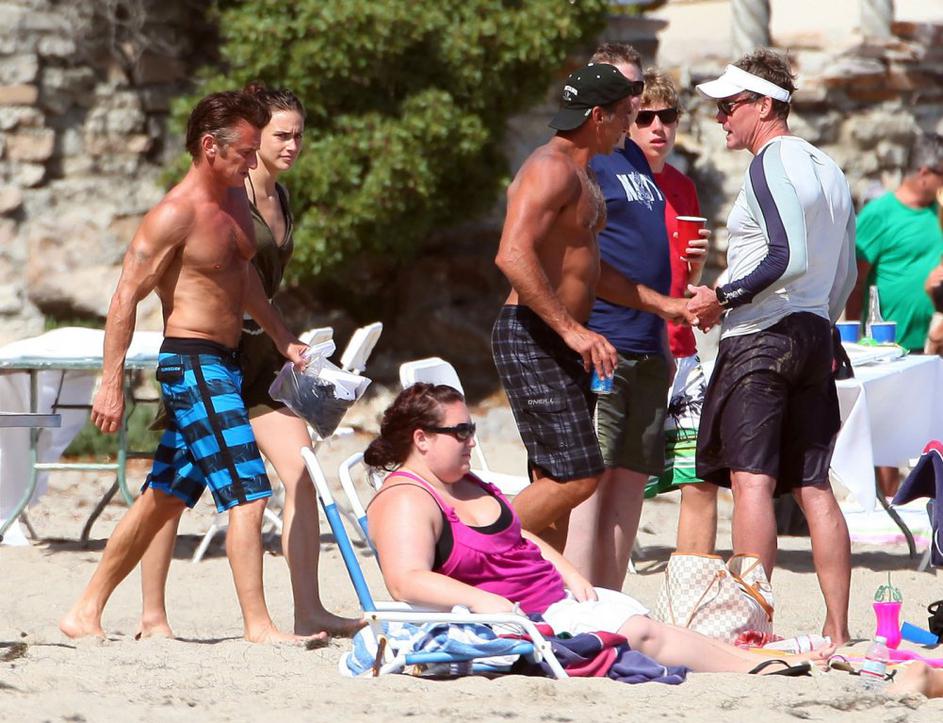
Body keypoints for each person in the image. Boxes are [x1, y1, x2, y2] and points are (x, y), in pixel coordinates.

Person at [59, 90, 312, 643]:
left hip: (226, 360)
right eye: (244, 152)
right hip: (192, 362)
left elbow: (243, 280)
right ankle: (259, 626)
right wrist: (110, 385)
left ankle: (84, 611)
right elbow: (125, 297)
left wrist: (283, 338)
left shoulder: (235, 199)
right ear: (209, 146)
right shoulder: (175, 213)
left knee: (165, 497)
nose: (251, 162)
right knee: (250, 489)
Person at [362, 383, 834, 675]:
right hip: (519, 618)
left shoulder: (463, 482)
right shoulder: (406, 499)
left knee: (648, 624)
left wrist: (569, 572)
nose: (471, 440)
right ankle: (761, 667)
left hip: (550, 601)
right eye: (461, 432)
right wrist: (486, 601)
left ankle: (759, 657)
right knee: (641, 633)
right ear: (421, 439)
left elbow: (517, 535)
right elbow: (405, 579)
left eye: (471, 430)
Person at [134, 83, 361, 640]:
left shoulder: (280, 196)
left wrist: (287, 341)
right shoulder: (223, 196)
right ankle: (151, 614)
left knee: (302, 471)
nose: (291, 145)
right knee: (170, 491)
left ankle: (308, 608)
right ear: (254, 139)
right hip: (210, 358)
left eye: (298, 135)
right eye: (280, 135)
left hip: (262, 363)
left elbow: (260, 287)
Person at [687, 49, 856, 644]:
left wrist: (720, 298)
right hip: (812, 331)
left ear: (764, 105)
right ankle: (838, 631)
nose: (719, 117)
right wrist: (820, 322)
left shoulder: (769, 163)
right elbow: (845, 273)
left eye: (729, 105)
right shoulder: (829, 168)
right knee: (814, 483)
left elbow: (788, 256)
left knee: (752, 481)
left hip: (763, 335)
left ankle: (750, 626)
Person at [561, 44, 699, 589]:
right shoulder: (586, 158)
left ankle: (611, 604)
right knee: (588, 484)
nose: (635, 100)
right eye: (625, 89)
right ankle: (579, 608)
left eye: (638, 87)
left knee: (631, 485)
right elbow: (570, 255)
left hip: (650, 344)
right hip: (604, 342)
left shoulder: (637, 160)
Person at [491, 62, 639, 552]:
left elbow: (590, 272)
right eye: (625, 115)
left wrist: (667, 306)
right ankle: (467, 548)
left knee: (553, 479)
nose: (629, 125)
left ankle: (539, 592)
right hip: (533, 332)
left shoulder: (581, 172)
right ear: (598, 116)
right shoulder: (549, 168)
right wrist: (572, 331)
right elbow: (512, 255)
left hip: (558, 337)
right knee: (578, 475)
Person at [628, 69, 715, 555]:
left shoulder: (682, 186)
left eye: (668, 116)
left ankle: (692, 578)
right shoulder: (614, 181)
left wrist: (697, 268)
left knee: (699, 474)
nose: (658, 127)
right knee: (621, 481)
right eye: (645, 118)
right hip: (633, 347)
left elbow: (683, 272)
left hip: (682, 349)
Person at [844, 132, 943, 497]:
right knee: (885, 436)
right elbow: (856, 277)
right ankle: (887, 504)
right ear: (924, 172)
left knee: (932, 431)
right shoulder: (879, 214)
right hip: (890, 344)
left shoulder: (940, 212)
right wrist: (854, 334)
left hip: (936, 340)